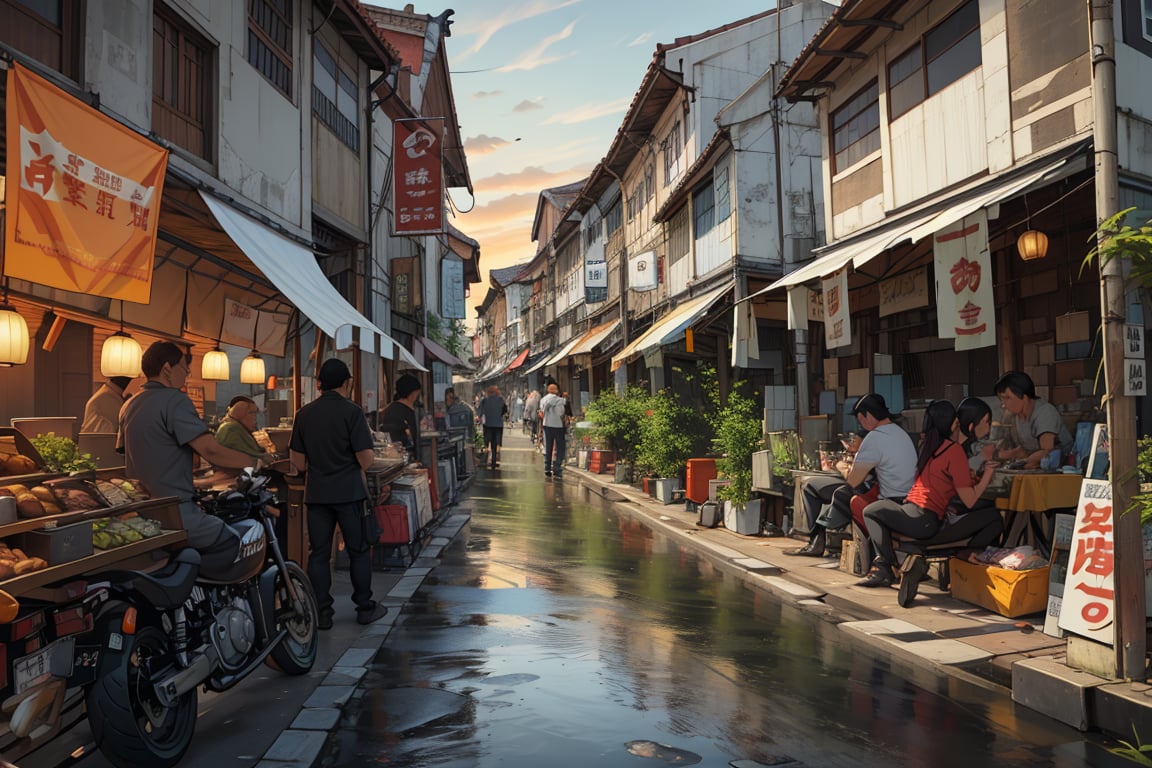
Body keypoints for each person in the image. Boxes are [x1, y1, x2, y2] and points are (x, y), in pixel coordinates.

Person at [117, 342, 261, 575]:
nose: (187, 374)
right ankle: (198, 594)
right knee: (231, 542)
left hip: (140, 514)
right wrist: (254, 462)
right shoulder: (175, 400)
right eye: (184, 368)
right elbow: (210, 450)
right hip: (176, 514)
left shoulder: (128, 405)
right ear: (167, 369)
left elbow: (146, 453)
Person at [289, 358, 389, 630]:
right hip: (349, 493)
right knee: (358, 551)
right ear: (346, 383)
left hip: (317, 494)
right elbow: (366, 459)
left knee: (319, 553)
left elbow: (297, 463)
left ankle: (321, 612)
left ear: (320, 384)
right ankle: (365, 607)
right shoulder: (352, 412)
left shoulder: (304, 414)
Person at [857, 400, 998, 589]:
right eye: (956, 425)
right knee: (995, 517)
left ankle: (886, 565)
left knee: (871, 511)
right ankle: (965, 557)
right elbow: (970, 501)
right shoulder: (953, 450)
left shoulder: (928, 447)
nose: (958, 429)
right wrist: (988, 475)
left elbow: (944, 481)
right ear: (948, 426)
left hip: (911, 511)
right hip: (925, 521)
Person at [785, 393, 917, 558]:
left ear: (867, 415)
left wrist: (840, 465)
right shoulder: (899, 433)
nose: (860, 423)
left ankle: (816, 541)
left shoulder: (875, 437)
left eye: (860, 419)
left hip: (883, 497)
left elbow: (853, 480)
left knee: (810, 486)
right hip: (902, 495)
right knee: (831, 488)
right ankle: (820, 537)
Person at [994, 371, 1074, 469]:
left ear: (1024, 397)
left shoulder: (1045, 412)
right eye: (1001, 399)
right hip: (1035, 464)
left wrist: (1022, 463)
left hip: (1060, 467)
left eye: (1007, 398)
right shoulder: (1016, 416)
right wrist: (1001, 455)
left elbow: (1047, 451)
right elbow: (1025, 450)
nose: (1003, 404)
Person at [378, 374, 423, 462]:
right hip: (405, 458)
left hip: (393, 457)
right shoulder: (408, 412)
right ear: (413, 393)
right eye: (417, 393)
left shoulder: (390, 409)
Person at [215, 395, 273, 460]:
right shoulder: (231, 429)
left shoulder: (238, 427)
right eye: (252, 413)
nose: (254, 418)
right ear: (241, 413)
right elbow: (245, 454)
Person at [539, 383, 569, 479]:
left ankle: (547, 468)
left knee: (548, 446)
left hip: (547, 424)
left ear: (548, 390)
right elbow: (561, 413)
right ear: (556, 390)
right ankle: (557, 469)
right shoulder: (560, 401)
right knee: (560, 447)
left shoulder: (543, 399)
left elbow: (541, 411)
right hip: (558, 426)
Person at [477, 385, 508, 469]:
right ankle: (494, 461)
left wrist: (478, 417)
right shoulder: (501, 400)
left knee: (486, 442)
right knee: (495, 444)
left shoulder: (485, 400)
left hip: (488, 424)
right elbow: (505, 410)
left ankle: (485, 460)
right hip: (498, 424)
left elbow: (480, 411)